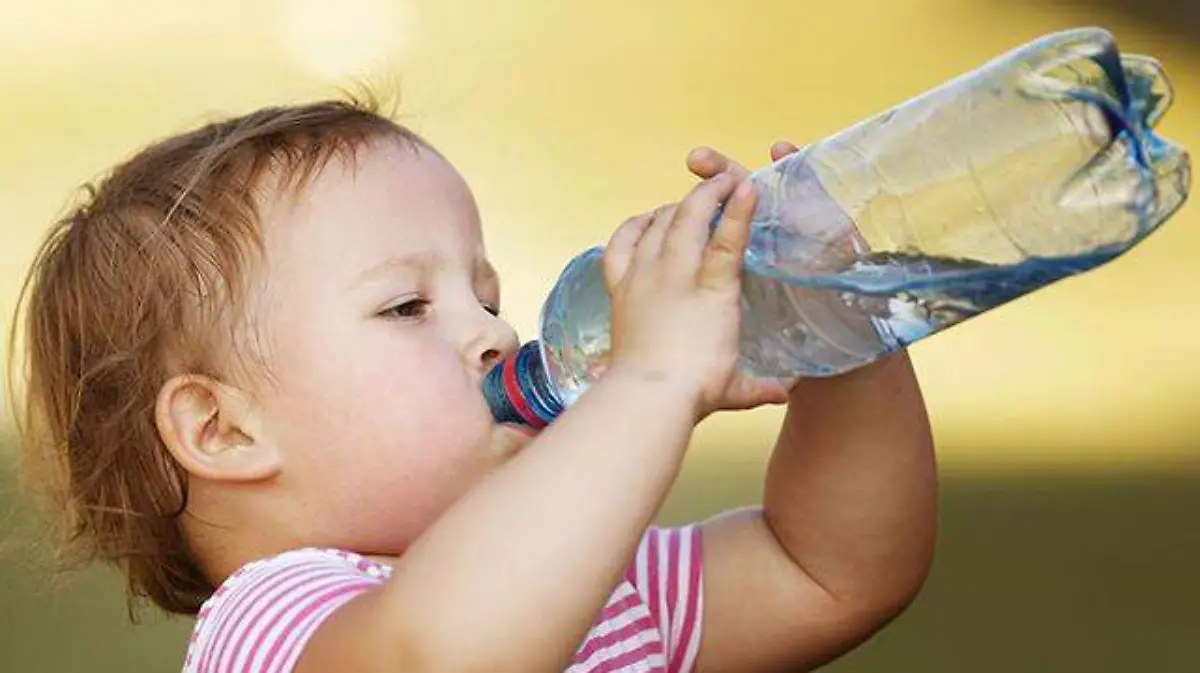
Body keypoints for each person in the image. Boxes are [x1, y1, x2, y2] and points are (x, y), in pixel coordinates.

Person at [9, 94, 937, 672]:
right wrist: (650, 379)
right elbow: (442, 652)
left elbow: (831, 570)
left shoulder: (600, 583)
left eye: (486, 294)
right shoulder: (272, 628)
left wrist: (839, 326)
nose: (495, 331)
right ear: (221, 429)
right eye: (408, 307)